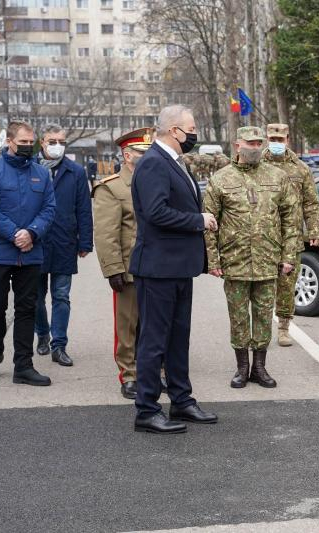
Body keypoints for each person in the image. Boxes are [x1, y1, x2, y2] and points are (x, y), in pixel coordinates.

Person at [130, 105, 218, 434]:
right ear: (173, 130)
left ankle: (181, 400)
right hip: (157, 268)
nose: (194, 133)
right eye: (191, 127)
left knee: (178, 338)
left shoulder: (174, 162)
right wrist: (198, 220)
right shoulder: (154, 162)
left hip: (178, 267)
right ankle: (147, 410)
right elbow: (155, 212)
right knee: (154, 342)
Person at [205, 126, 299, 389]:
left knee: (262, 315)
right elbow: (210, 223)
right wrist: (213, 261)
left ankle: (259, 367)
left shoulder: (278, 177)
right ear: (238, 145)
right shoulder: (221, 179)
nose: (255, 147)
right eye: (250, 143)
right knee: (238, 317)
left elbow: (291, 219)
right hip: (235, 261)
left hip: (268, 260)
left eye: (259, 143)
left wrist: (288, 255)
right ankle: (241, 367)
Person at [0, 121, 56, 386]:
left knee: (27, 309)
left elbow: (49, 209)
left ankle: (23, 366)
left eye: (31, 142)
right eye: (22, 142)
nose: (28, 147)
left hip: (30, 253)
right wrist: (16, 233)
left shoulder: (41, 173)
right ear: (9, 142)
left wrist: (32, 233)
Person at [92, 127, 153, 400]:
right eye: (142, 152)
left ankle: (151, 370)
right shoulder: (112, 187)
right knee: (127, 326)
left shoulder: (156, 181)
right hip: (129, 268)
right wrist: (113, 268)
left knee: (153, 324)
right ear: (127, 155)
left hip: (158, 267)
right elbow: (106, 234)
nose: (147, 156)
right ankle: (129, 375)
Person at [34, 124, 93, 367]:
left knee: (61, 296)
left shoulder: (75, 172)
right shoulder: (30, 168)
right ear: (42, 142)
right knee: (36, 297)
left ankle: (59, 345)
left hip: (64, 241)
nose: (57, 145)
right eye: (52, 140)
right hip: (35, 243)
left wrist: (86, 241)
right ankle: (42, 334)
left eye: (61, 141)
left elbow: (83, 208)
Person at [263, 123, 319, 346]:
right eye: (272, 139)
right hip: (264, 237)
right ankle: (262, 327)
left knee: (287, 286)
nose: (276, 143)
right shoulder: (257, 164)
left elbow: (311, 202)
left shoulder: (300, 168)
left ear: (287, 139)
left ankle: (284, 328)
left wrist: (314, 229)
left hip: (291, 237)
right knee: (263, 286)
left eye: (280, 139)